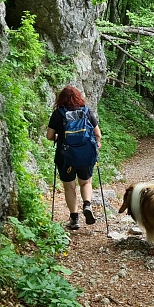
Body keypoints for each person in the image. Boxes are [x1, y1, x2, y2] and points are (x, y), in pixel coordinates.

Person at [46, 86, 102, 230]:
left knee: (70, 187)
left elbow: (49, 136)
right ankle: (87, 204)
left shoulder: (59, 114)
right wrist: (97, 143)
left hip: (66, 156)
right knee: (85, 182)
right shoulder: (85, 111)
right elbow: (98, 134)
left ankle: (74, 218)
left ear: (61, 99)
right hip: (86, 154)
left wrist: (59, 136)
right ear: (78, 97)